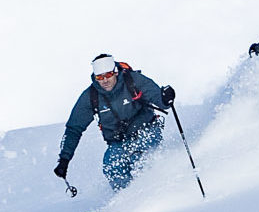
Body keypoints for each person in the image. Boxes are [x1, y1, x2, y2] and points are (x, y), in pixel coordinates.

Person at [54, 54, 175, 191]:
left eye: (108, 75)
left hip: (146, 131)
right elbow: (74, 129)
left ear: (115, 72)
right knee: (111, 166)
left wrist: (165, 98)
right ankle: (127, 199)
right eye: (100, 77)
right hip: (119, 142)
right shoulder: (91, 96)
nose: (105, 80)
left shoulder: (133, 80)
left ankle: (156, 194)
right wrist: (64, 159)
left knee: (141, 161)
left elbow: (160, 99)